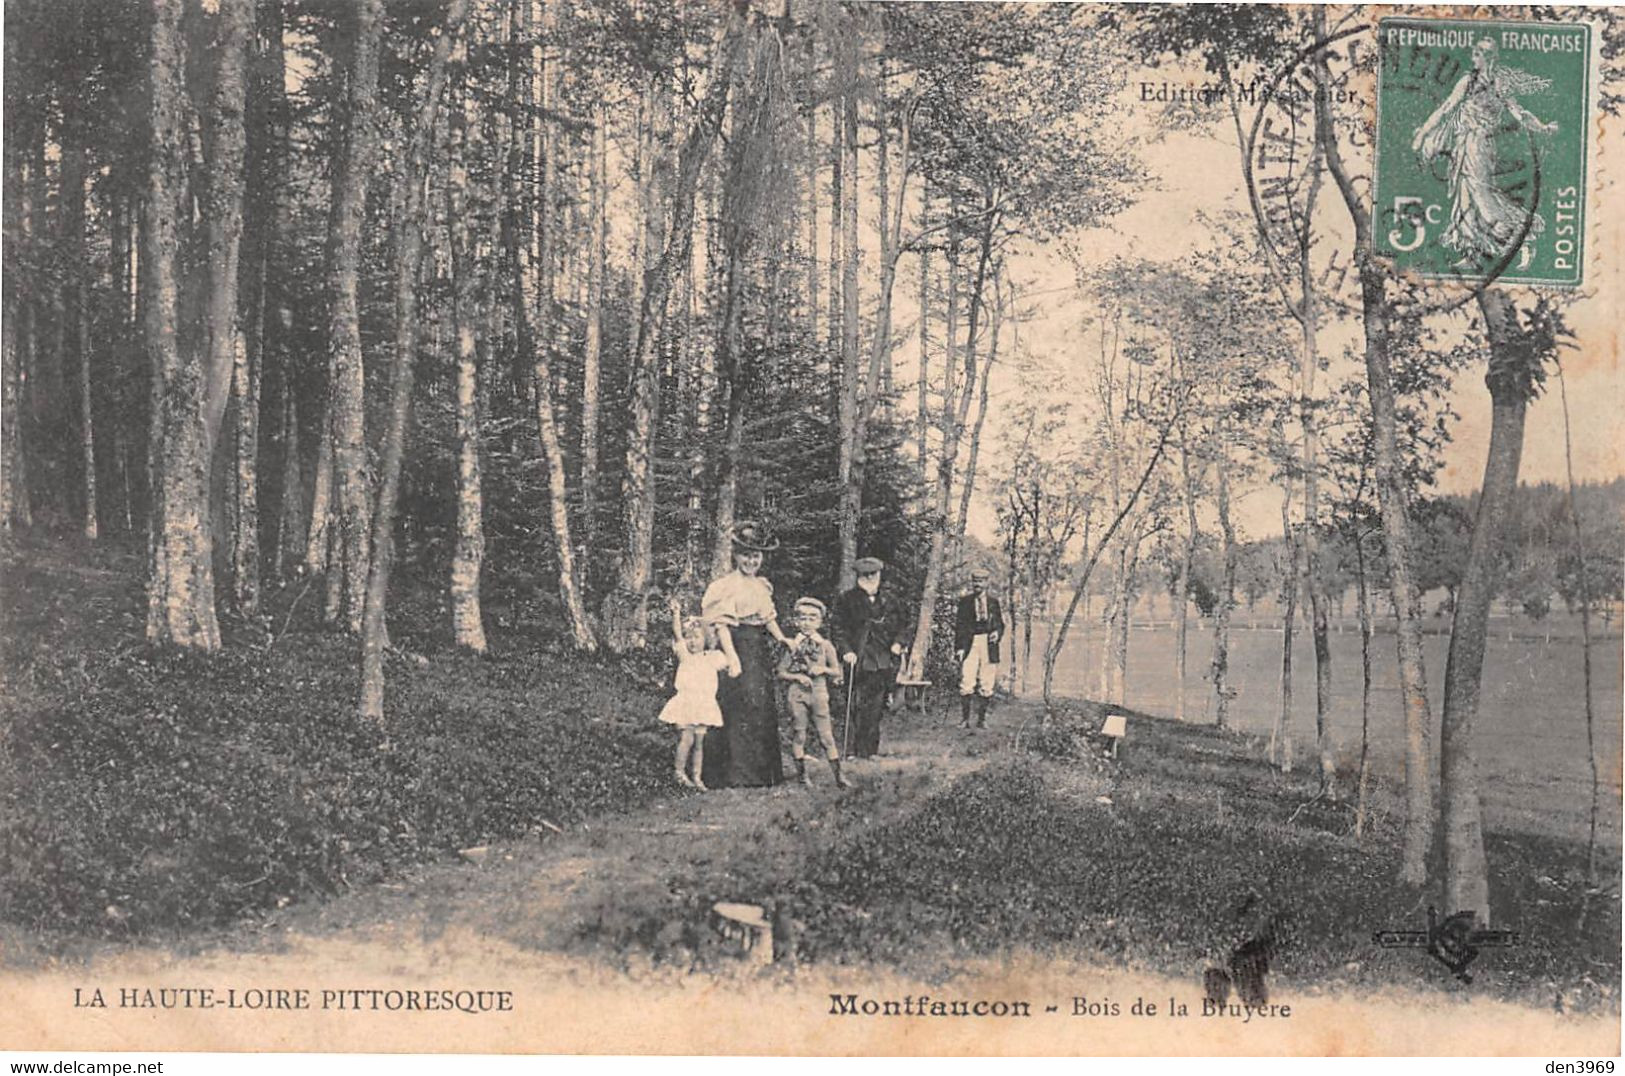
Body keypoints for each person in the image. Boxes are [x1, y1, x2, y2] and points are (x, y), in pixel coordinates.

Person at [1411, 38, 1558, 267]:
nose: (1473, 58)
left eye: (1477, 54)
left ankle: (1520, 236)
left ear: (1487, 57)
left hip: (1479, 146)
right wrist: (1423, 133)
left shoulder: (1499, 84)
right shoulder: (1467, 81)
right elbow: (1446, 108)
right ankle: (1471, 253)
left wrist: (1542, 127)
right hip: (1463, 144)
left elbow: (1520, 113)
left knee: (1481, 195)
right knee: (1465, 196)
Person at [701, 521, 794, 788]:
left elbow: (768, 618)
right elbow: (722, 625)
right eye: (746, 555)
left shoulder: (762, 586)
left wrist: (782, 638)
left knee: (760, 705)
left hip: (757, 649)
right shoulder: (726, 586)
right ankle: (734, 774)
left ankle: (762, 773)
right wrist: (732, 657)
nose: (751, 561)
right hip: (736, 644)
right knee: (739, 704)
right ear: (735, 555)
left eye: (756, 555)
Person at [831, 556, 909, 759]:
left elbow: (905, 625)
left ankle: (870, 751)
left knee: (876, 706)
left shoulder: (891, 600)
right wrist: (845, 650)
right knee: (854, 704)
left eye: (873, 574)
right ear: (857, 576)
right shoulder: (846, 599)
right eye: (864, 575)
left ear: (880, 575)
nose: (869, 578)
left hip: (882, 658)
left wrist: (898, 643)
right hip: (857, 657)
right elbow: (837, 628)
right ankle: (851, 751)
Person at [657, 597, 737, 790]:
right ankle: (679, 772)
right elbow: (677, 634)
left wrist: (721, 624)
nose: (692, 642)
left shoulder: (713, 658)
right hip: (686, 702)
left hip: (704, 704)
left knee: (700, 741)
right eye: (689, 637)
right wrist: (676, 614)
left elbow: (729, 663)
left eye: (697, 637)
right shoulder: (685, 656)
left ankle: (697, 777)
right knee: (687, 738)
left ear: (706, 639)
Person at [777, 597, 850, 789]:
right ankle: (803, 777)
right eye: (803, 618)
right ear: (796, 621)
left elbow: (837, 671)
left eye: (812, 618)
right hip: (797, 694)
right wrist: (797, 677)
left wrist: (823, 670)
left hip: (818, 692)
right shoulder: (793, 645)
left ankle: (839, 777)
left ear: (820, 622)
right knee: (799, 733)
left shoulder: (825, 645)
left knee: (826, 735)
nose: (807, 623)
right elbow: (781, 671)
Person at [954, 567, 1006, 729]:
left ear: (987, 583)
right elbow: (960, 626)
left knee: (987, 681)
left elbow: (1000, 624)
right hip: (970, 643)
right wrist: (960, 648)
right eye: (975, 581)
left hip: (988, 644)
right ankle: (965, 720)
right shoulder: (965, 602)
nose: (978, 584)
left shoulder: (993, 602)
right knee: (967, 679)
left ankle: (982, 720)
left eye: (981, 581)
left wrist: (997, 633)